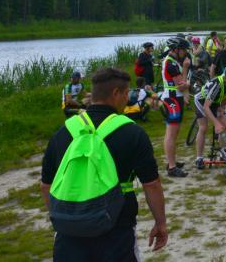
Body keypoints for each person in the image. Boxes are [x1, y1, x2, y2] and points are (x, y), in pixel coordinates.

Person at [41, 67, 168, 259]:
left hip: (68, 234)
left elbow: (46, 186)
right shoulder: (133, 133)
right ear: (116, 93)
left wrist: (63, 218)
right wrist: (160, 223)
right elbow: (151, 184)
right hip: (116, 229)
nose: (127, 98)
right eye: (126, 93)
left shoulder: (63, 132)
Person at [193, 65, 226, 168]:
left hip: (214, 102)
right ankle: (199, 158)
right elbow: (206, 107)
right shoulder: (217, 85)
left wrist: (221, 112)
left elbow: (224, 100)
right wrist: (216, 124)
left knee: (224, 125)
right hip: (201, 101)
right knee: (203, 127)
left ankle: (223, 154)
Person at [160, 36, 190, 178]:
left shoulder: (172, 61)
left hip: (174, 98)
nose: (185, 52)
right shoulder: (171, 64)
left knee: (173, 133)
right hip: (172, 99)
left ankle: (171, 161)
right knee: (171, 134)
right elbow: (182, 85)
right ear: (176, 49)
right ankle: (172, 167)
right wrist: (186, 70)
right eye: (183, 49)